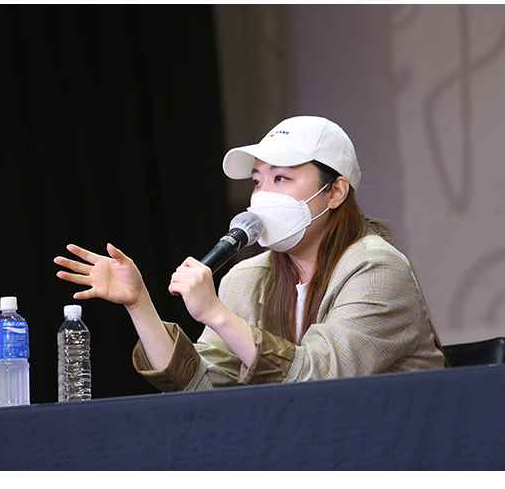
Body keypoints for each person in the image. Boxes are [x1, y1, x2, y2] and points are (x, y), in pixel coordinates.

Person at [55, 116, 445, 392]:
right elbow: (202, 386)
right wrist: (139, 303)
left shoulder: (376, 267)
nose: (262, 195)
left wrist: (216, 314)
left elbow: (321, 378)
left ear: (335, 192)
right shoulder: (248, 276)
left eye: (281, 178)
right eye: (258, 181)